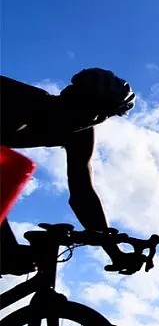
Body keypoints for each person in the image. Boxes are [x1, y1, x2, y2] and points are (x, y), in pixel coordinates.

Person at [0, 68, 138, 275]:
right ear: (69, 95)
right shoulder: (22, 103)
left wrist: (114, 251)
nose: (92, 119)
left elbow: (83, 194)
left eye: (102, 115)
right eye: (89, 108)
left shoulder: (80, 135)